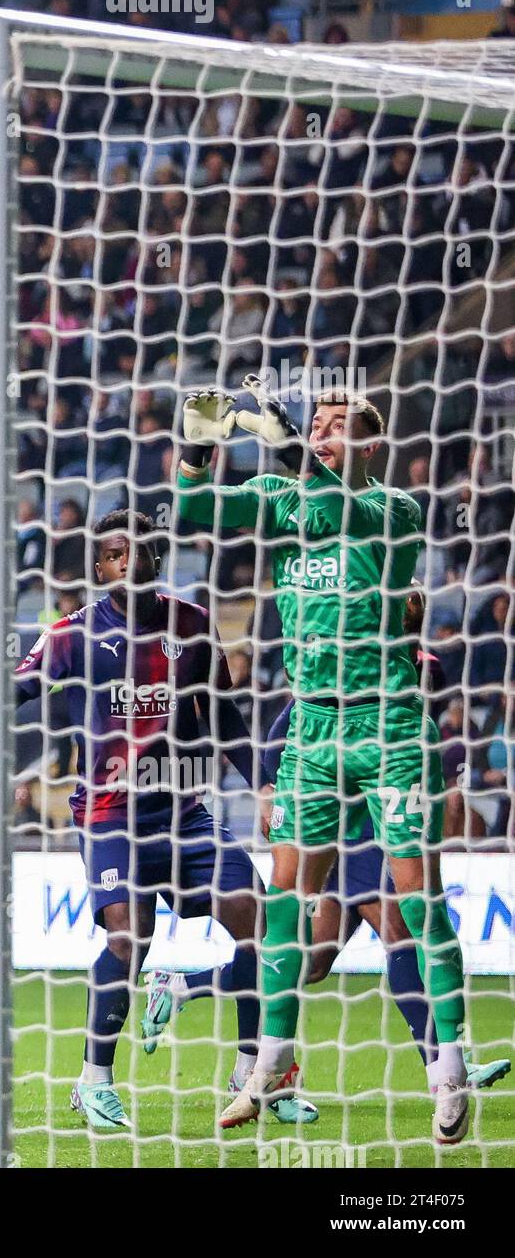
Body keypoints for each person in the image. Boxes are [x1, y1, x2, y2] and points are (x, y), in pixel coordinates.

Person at [0, 509, 295, 1132]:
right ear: (101, 566)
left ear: (157, 559)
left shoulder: (193, 626)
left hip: (184, 810)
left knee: (260, 916)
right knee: (128, 937)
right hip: (110, 813)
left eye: (142, 551)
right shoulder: (71, 634)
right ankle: (93, 1082)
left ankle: (251, 1072)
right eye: (118, 555)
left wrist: (265, 787)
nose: (131, 563)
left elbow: (223, 719)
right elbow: (9, 691)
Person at [177, 378, 472, 1144]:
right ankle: (270, 1059)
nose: (325, 433)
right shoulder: (282, 494)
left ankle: (449, 1068)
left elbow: (340, 509)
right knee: (287, 899)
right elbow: (192, 510)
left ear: (371, 444)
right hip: (311, 725)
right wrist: (197, 448)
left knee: (416, 900)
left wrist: (291, 454)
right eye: (319, 423)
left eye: (341, 426)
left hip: (390, 724)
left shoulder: (394, 509)